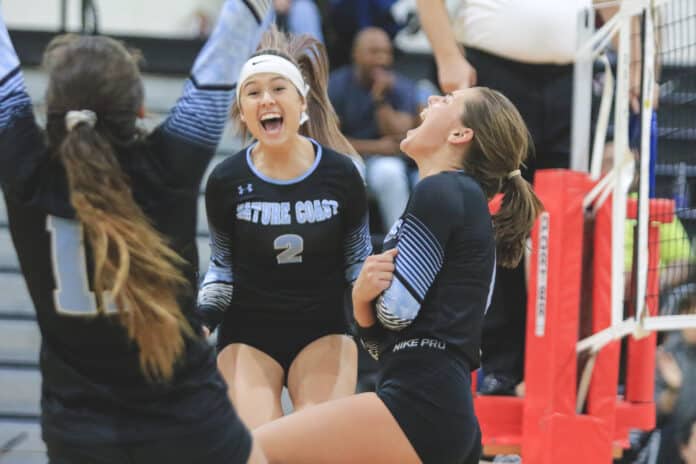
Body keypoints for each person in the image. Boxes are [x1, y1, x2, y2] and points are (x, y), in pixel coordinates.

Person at [0, 1, 272, 463]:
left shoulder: (26, 169)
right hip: (191, 426)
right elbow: (230, 45)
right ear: (140, 108)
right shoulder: (168, 164)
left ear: (52, 109)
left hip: (77, 436)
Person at [253, 87, 544, 464]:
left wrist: (366, 294)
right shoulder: (459, 197)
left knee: (246, 451)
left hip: (419, 405)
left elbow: (395, 314)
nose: (432, 101)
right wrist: (361, 300)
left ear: (460, 135)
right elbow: (387, 344)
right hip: (433, 405)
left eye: (447, 101)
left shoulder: (441, 191)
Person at [196, 27, 373, 429]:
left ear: (301, 101)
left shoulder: (342, 174)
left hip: (323, 328)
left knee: (315, 444)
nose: (267, 100)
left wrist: (386, 322)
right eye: (253, 93)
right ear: (243, 111)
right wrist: (202, 317)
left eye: (278, 88)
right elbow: (221, 270)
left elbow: (357, 265)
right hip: (247, 332)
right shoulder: (225, 180)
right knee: (262, 443)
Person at [329, 26, 420, 233]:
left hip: (387, 163)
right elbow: (330, 139)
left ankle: (399, 247)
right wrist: (377, 147)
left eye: (386, 52)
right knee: (352, 168)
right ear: (356, 54)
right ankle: (348, 246)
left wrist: (380, 99)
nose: (382, 59)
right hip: (350, 157)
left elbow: (399, 135)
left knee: (391, 172)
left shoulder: (401, 87)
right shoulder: (337, 85)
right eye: (374, 52)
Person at [654, 291, 696, 464]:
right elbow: (655, 414)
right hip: (666, 445)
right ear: (686, 314)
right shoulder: (667, 354)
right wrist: (674, 388)